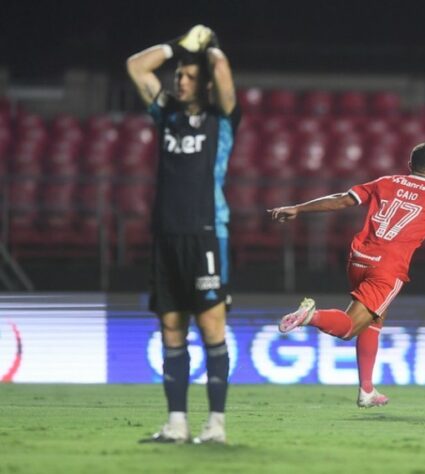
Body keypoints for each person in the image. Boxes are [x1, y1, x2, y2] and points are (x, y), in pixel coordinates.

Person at [269, 142, 425, 408]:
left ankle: (367, 389)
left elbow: (342, 199)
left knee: (376, 317)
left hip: (358, 260)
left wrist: (297, 208)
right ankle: (311, 316)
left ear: (410, 166)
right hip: (387, 268)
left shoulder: (386, 182)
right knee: (349, 328)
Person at [126, 25, 240, 443]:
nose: (180, 78)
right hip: (166, 234)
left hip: (207, 233)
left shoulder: (222, 119)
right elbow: (136, 66)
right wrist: (177, 48)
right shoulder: (166, 113)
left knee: (212, 327)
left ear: (204, 84)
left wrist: (208, 47)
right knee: (171, 326)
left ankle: (216, 425)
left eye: (189, 75)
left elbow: (224, 71)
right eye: (179, 74)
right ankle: (176, 423)